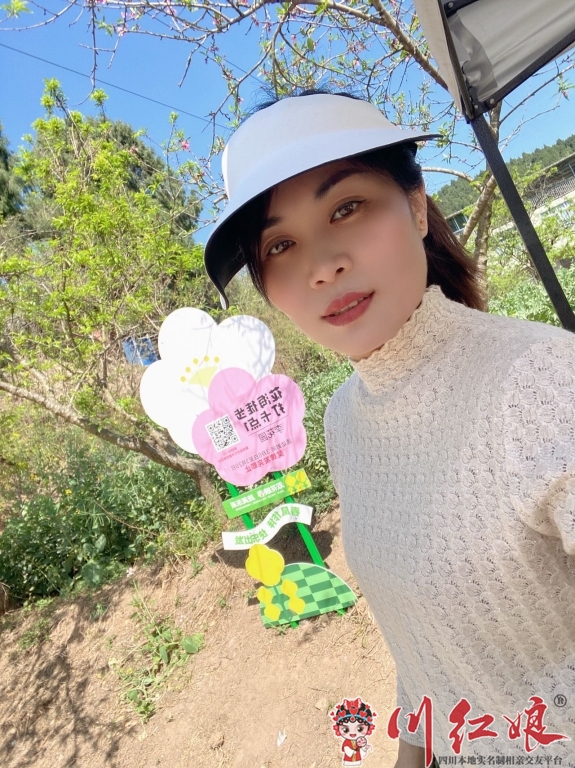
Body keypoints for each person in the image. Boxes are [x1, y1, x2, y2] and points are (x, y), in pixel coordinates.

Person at [203, 91, 575, 767]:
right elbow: (427, 654)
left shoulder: (544, 382)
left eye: (346, 207)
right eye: (280, 245)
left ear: (415, 204)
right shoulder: (344, 420)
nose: (323, 265)